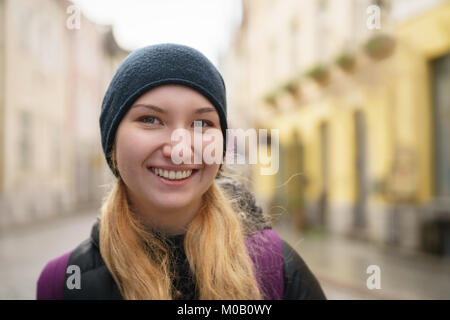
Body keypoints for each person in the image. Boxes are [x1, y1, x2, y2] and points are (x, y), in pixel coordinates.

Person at [36, 43, 326, 300]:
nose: (180, 149)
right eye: (150, 119)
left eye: (202, 124)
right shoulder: (61, 284)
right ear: (112, 142)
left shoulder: (277, 268)